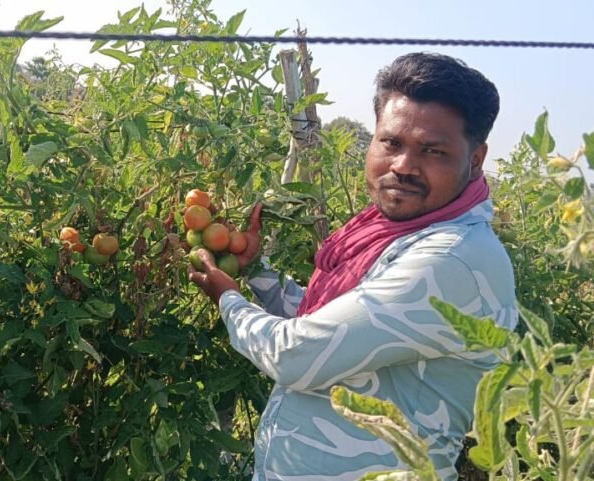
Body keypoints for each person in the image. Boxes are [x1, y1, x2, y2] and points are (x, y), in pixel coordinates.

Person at [188, 52, 518, 480]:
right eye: (391, 143)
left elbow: (297, 353)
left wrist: (227, 297)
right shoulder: (397, 232)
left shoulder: (450, 258)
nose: (403, 166)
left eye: (433, 151)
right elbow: (330, 322)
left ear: (475, 159)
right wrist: (256, 273)